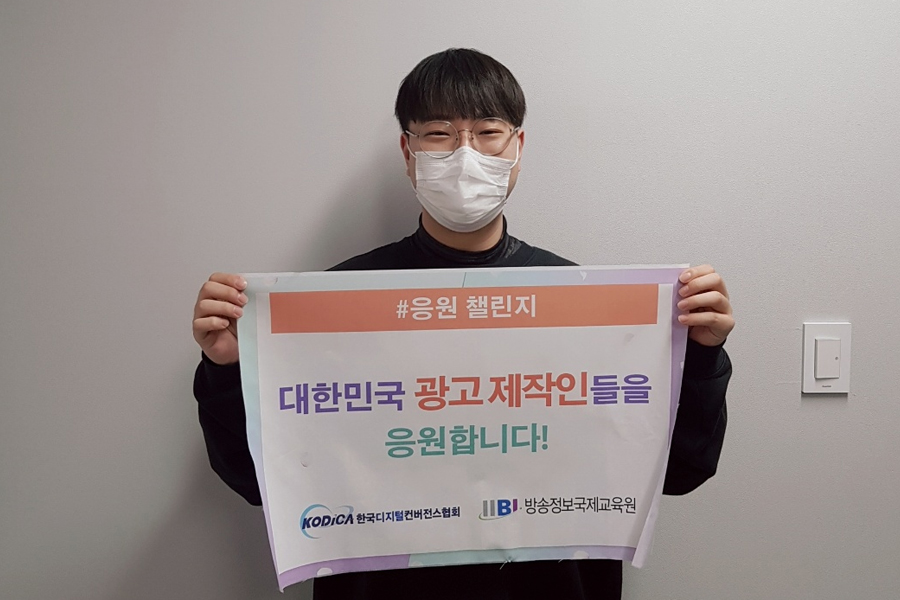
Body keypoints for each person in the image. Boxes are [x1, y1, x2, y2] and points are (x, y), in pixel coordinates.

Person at [192, 48, 734, 600]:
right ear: (407, 151)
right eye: (438, 134)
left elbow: (680, 470)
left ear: (517, 146)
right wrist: (228, 368)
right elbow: (258, 481)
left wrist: (700, 355)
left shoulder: (590, 306)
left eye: (488, 132)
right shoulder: (330, 307)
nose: (465, 153)